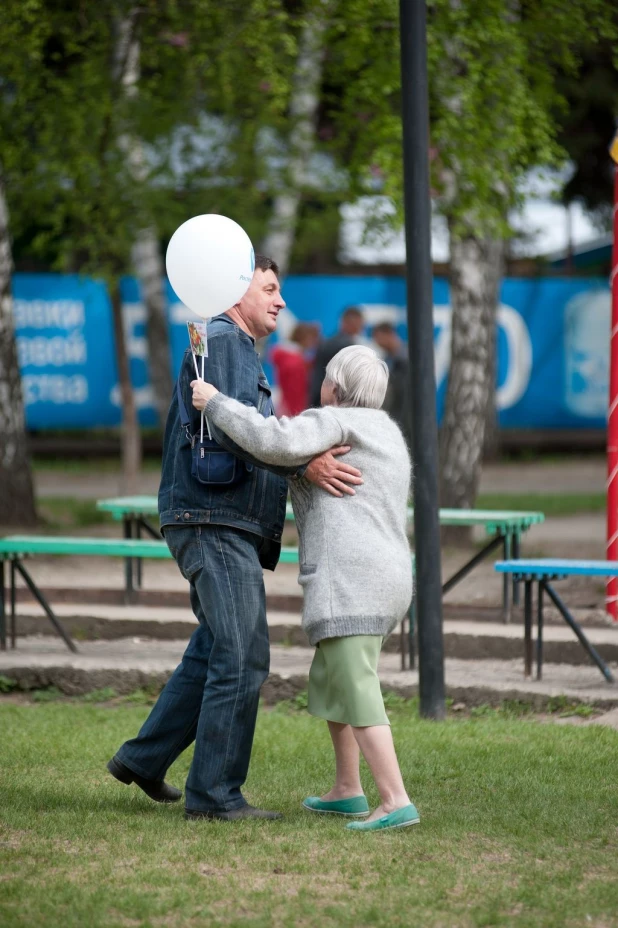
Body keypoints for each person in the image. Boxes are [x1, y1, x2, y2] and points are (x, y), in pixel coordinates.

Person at [107, 256, 363, 822]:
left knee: (215, 648)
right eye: (269, 288)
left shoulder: (230, 345)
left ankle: (143, 759)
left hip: (214, 518)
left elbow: (241, 428)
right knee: (244, 653)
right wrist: (304, 466)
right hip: (212, 519)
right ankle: (215, 796)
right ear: (233, 291)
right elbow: (238, 426)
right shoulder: (224, 338)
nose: (280, 301)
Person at [191, 345, 419, 833]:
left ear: (334, 387)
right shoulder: (388, 431)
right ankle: (346, 789)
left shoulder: (335, 421)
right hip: (390, 575)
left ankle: (394, 798)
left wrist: (214, 403)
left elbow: (272, 440)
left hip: (352, 577)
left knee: (356, 686)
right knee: (335, 679)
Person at [309, 306, 365, 407]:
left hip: (320, 397)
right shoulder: (345, 345)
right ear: (350, 322)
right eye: (360, 323)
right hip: (333, 402)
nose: (361, 327)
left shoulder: (328, 342)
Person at [372, 321, 412, 447]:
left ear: (389, 334)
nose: (377, 342)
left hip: (406, 416)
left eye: (379, 338)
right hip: (394, 414)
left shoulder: (406, 358)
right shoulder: (388, 358)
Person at [271, 322, 320, 416]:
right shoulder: (295, 362)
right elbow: (294, 392)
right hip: (292, 411)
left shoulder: (291, 357)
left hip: (284, 406)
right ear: (303, 338)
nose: (313, 342)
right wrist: (297, 413)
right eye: (311, 338)